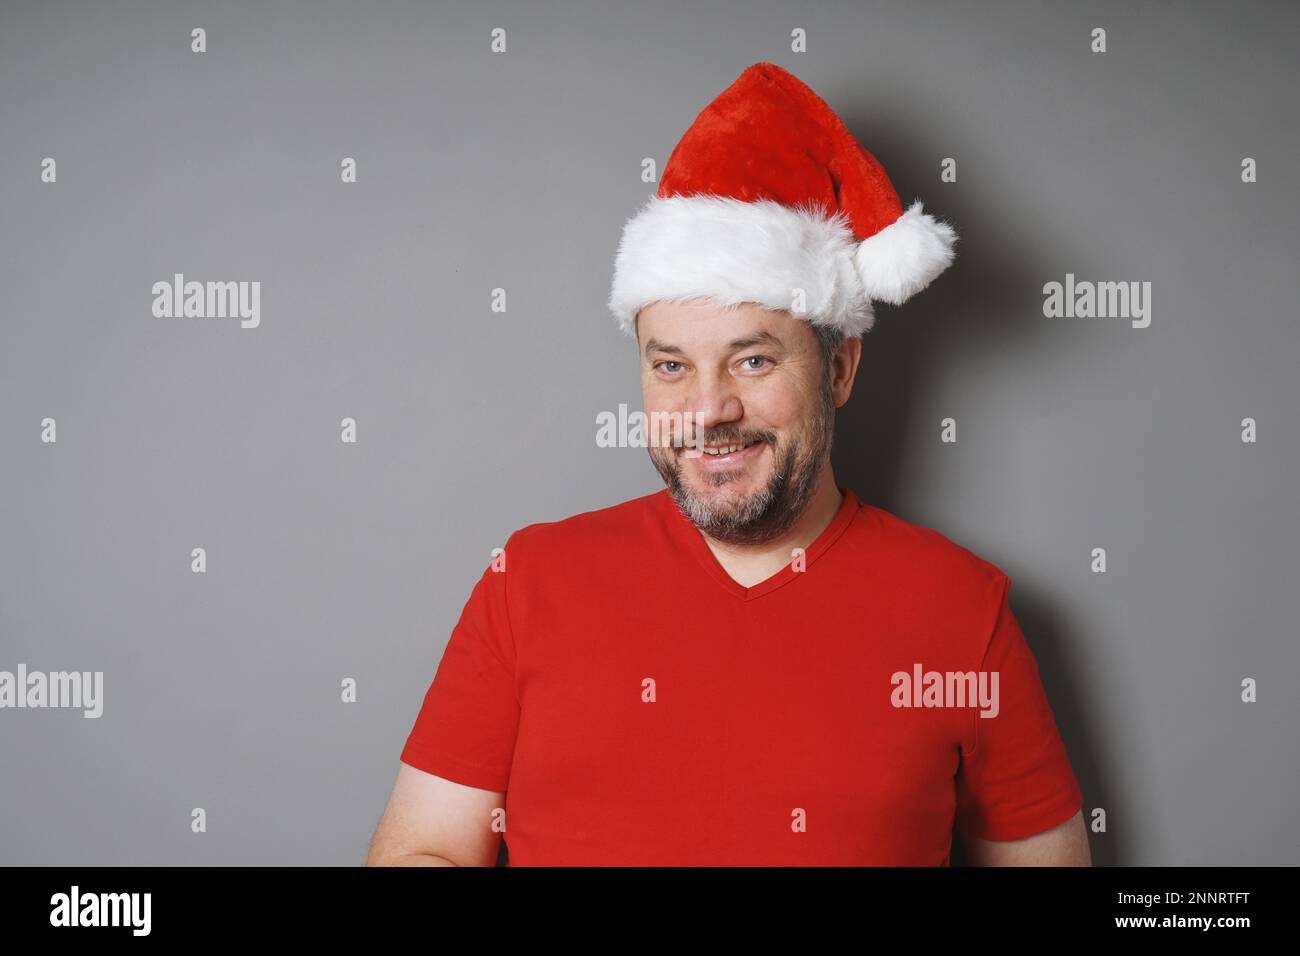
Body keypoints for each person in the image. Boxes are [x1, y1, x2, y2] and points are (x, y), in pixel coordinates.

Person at [367, 62, 1089, 866]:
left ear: (840, 369)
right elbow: (422, 851)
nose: (708, 411)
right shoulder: (528, 582)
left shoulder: (963, 610)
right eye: (671, 366)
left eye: (751, 362)